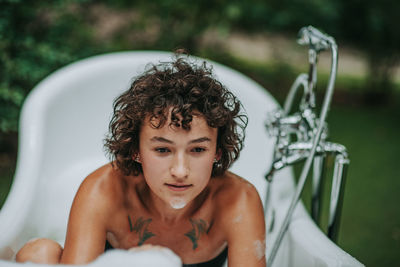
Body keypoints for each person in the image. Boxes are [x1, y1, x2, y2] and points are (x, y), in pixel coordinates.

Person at [15, 53, 266, 266]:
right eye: (162, 150)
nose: (180, 170)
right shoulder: (102, 190)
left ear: (217, 153)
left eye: (198, 150)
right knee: (38, 253)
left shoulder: (238, 200)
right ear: (136, 150)